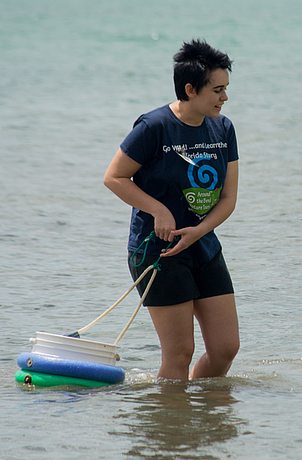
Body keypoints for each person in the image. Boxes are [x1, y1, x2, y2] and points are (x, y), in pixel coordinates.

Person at [104, 39, 240, 381]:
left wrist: (199, 231)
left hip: (203, 245)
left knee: (226, 348)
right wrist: (158, 211)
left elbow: (227, 198)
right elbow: (114, 177)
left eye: (227, 88)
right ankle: (172, 429)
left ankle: (206, 423)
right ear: (190, 89)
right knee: (180, 354)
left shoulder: (223, 128)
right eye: (218, 90)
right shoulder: (154, 127)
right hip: (157, 252)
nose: (225, 97)